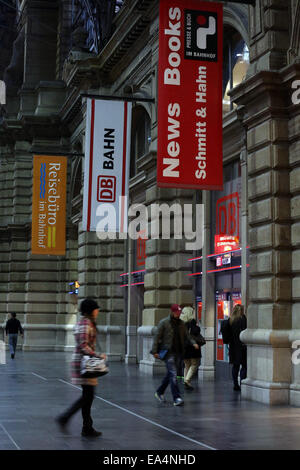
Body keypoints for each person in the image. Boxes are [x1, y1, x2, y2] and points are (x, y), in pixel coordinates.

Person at [56, 298, 106, 437]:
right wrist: (98, 355)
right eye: (96, 308)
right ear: (91, 310)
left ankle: (87, 427)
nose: (98, 311)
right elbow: (83, 345)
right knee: (88, 396)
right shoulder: (85, 324)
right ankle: (65, 418)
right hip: (85, 364)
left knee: (88, 396)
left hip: (85, 363)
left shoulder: (86, 323)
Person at [151, 304, 199, 406]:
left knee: (170, 373)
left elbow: (187, 335)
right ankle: (177, 397)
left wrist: (193, 343)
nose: (179, 313)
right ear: (172, 312)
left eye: (179, 312)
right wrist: (154, 351)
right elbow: (157, 337)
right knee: (173, 374)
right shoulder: (164, 323)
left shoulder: (181, 323)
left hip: (178, 352)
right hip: (168, 352)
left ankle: (159, 392)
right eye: (177, 311)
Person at [180, 306, 202, 391]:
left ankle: (187, 383)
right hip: (192, 347)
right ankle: (187, 380)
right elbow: (196, 331)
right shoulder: (192, 322)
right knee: (194, 364)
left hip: (184, 347)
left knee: (187, 365)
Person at [228, 304, 247, 391]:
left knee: (235, 366)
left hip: (233, 347)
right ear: (241, 310)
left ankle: (235, 384)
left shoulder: (231, 320)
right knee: (244, 366)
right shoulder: (242, 319)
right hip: (242, 347)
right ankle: (242, 383)